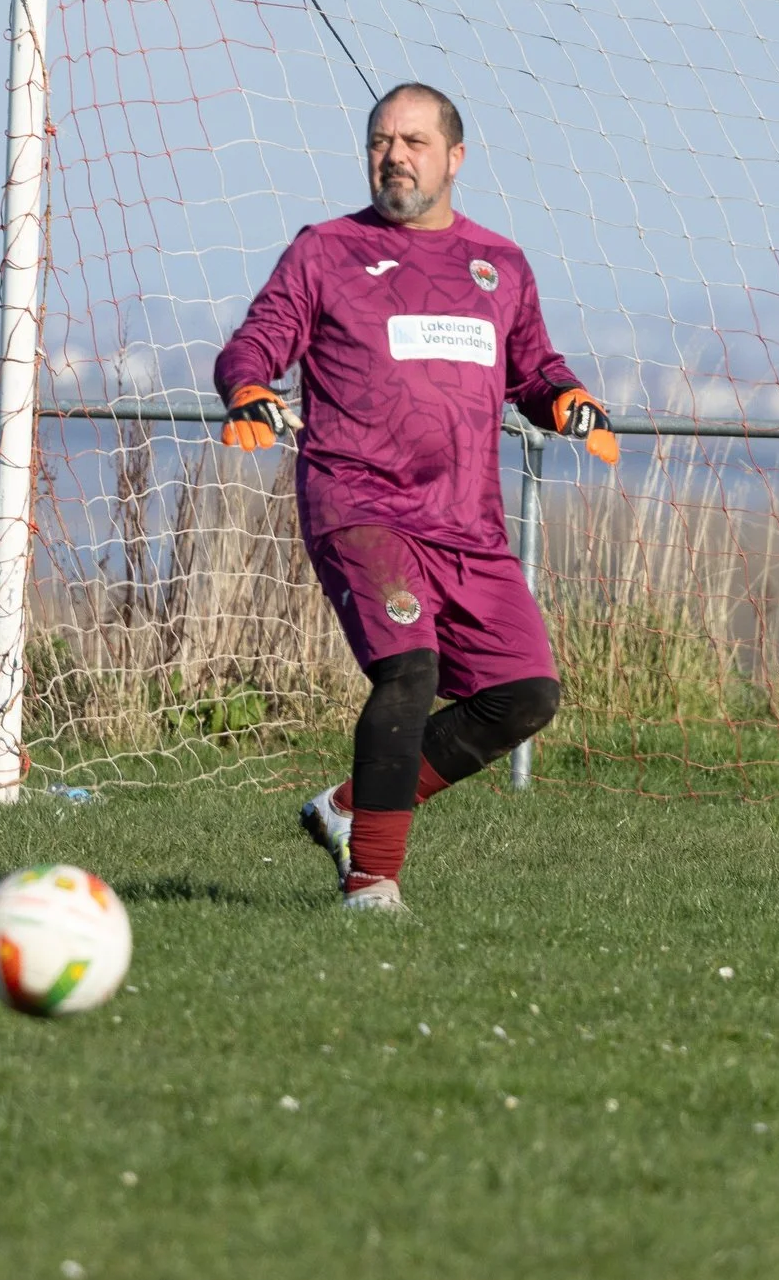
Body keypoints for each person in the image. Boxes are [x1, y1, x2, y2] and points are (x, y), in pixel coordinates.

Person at [213, 82, 618, 911]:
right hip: (360, 506)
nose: (393, 156)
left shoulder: (499, 265)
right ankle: (372, 884)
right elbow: (256, 342)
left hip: (467, 522)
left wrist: (568, 398)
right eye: (379, 142)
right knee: (409, 671)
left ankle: (347, 809)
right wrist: (248, 386)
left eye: (413, 142)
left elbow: (533, 368)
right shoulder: (325, 252)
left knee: (525, 694)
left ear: (455, 158)